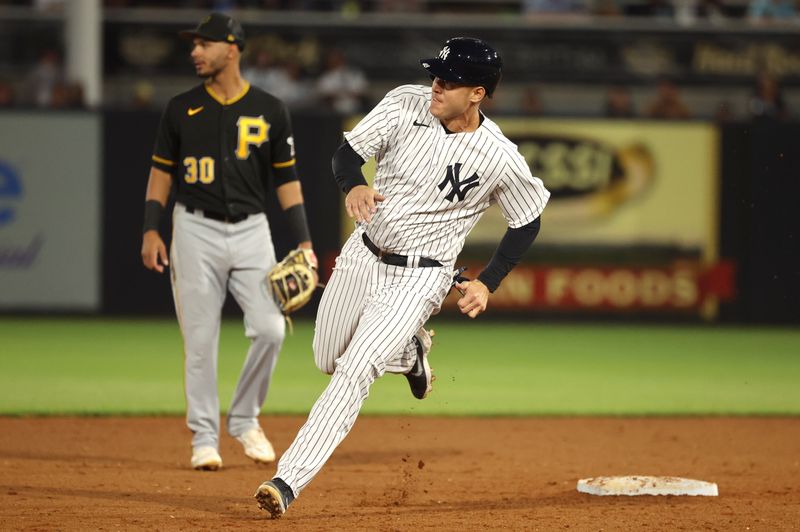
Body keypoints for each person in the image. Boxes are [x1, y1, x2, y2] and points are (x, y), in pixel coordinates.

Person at [254, 37, 550, 518]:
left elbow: (528, 219)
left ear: (477, 93)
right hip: (362, 253)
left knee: (356, 369)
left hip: (422, 275)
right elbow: (346, 155)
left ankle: (287, 480)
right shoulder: (404, 101)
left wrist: (487, 282)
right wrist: (354, 185)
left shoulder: (499, 156)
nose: (436, 83)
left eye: (449, 80)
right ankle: (411, 351)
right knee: (328, 356)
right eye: (436, 73)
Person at [140, 12, 317, 471]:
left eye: (205, 43)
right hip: (193, 229)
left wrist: (303, 243)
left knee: (271, 329)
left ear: (232, 48)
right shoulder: (181, 107)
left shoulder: (270, 108)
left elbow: (288, 181)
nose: (195, 51)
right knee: (200, 339)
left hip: (251, 229)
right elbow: (161, 174)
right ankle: (203, 437)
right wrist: (150, 228)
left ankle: (242, 418)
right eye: (193, 45)